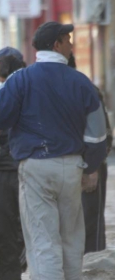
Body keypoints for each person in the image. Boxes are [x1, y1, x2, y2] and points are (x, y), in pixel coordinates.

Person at [0, 21, 107, 280]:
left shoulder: (20, 80)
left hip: (36, 169)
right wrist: (90, 168)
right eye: (67, 39)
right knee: (71, 241)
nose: (71, 44)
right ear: (56, 44)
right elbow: (98, 136)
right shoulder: (82, 83)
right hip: (72, 169)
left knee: (43, 242)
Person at [0, 46, 27, 280]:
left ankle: (18, 269)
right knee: (5, 233)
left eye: (1, 73)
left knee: (22, 231)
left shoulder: (22, 92)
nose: (0, 78)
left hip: (21, 170)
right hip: (3, 172)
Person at [68, 53, 113, 254]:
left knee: (90, 227)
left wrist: (92, 168)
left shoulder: (86, 89)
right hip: (73, 166)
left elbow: (104, 134)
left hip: (86, 166)